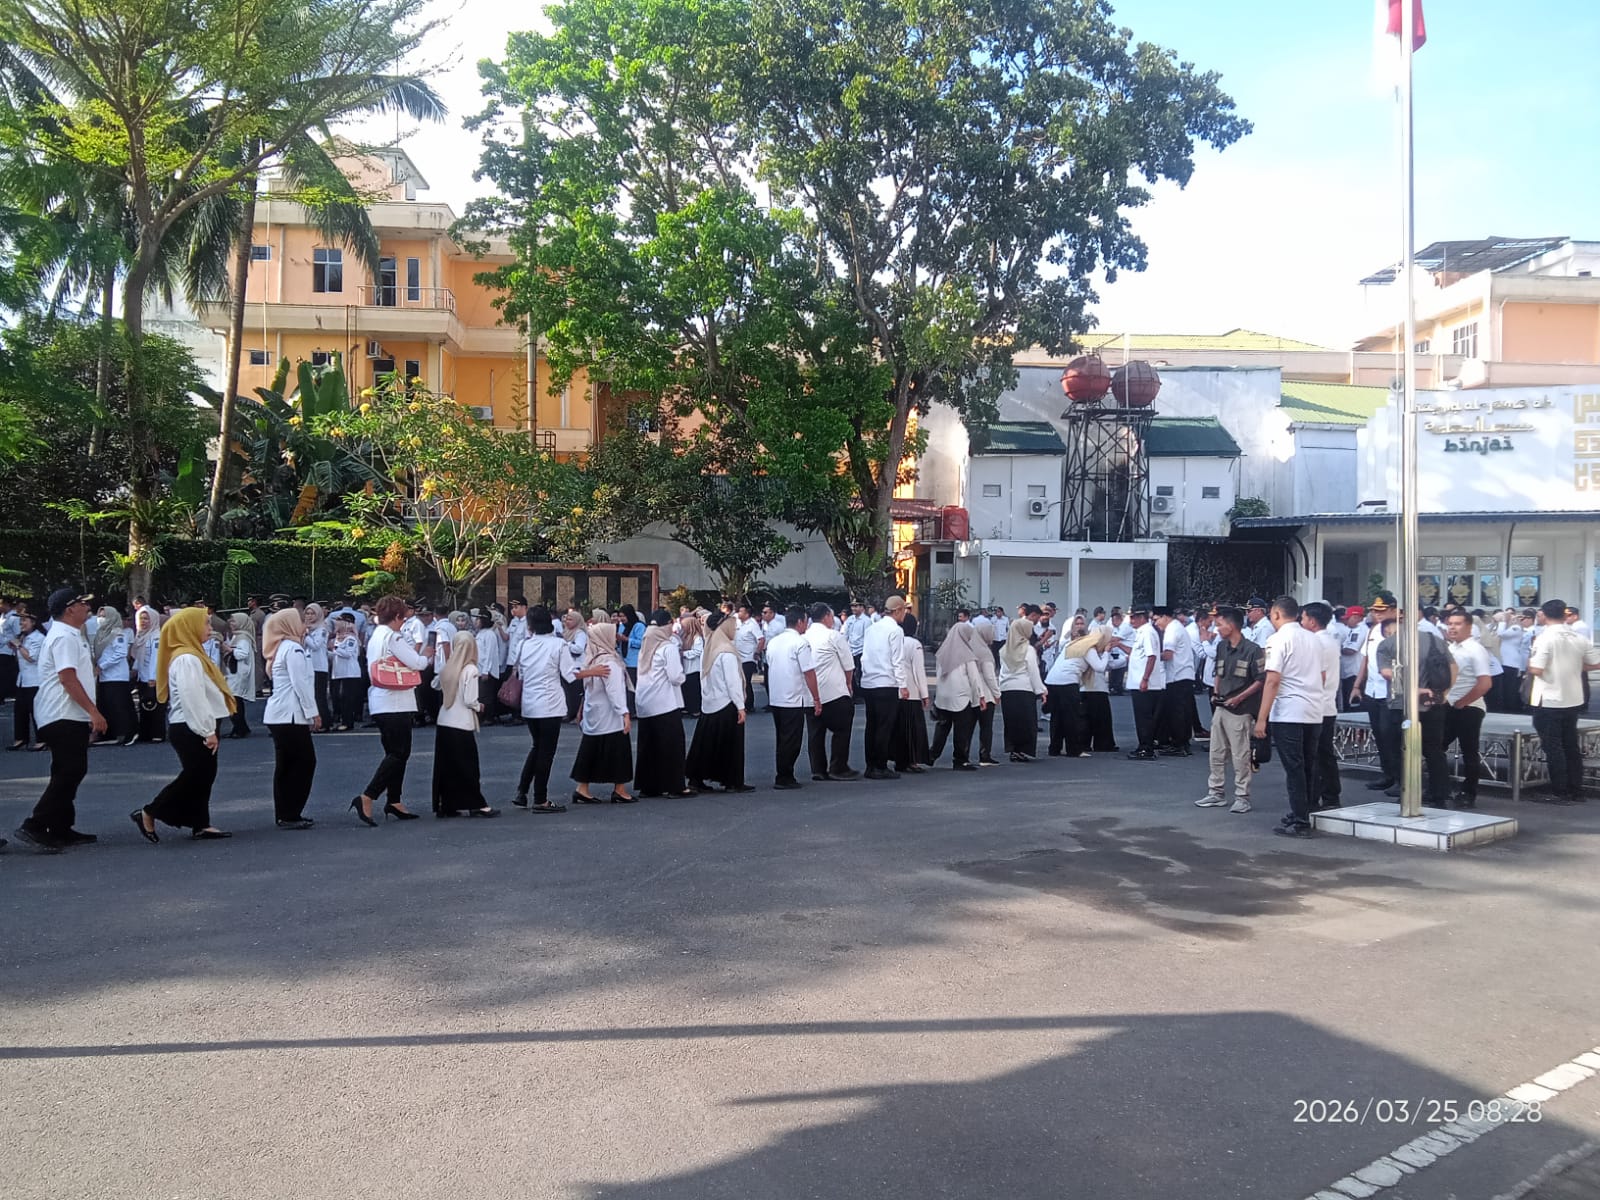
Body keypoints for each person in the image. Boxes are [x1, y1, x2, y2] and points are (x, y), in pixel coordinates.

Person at [130, 606, 234, 844]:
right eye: (205, 624)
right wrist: (207, 730)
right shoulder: (187, 658)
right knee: (195, 774)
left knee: (204, 775)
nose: (209, 628)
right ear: (190, 627)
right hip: (191, 725)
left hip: (192, 724)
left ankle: (200, 822)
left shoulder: (191, 654)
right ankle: (150, 811)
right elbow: (192, 698)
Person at [12, 590, 106, 851]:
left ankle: (61, 826)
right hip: (62, 713)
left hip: (63, 713)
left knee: (66, 770)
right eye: (81, 603)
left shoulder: (68, 634)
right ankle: (36, 824)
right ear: (69, 609)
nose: (87, 606)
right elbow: (67, 678)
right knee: (70, 771)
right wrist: (93, 711)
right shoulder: (64, 637)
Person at [350, 593, 434, 825]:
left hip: (380, 700)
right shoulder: (393, 638)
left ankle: (394, 800)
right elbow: (416, 663)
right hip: (395, 701)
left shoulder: (377, 635)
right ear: (397, 616)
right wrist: (425, 656)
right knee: (399, 753)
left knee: (394, 753)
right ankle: (369, 795)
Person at [1253, 596, 1325, 838]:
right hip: (1314, 709)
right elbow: (1322, 676)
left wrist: (1261, 718)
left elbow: (1272, 680)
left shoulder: (1277, 639)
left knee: (1294, 768)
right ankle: (1303, 811)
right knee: (1307, 764)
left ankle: (1301, 821)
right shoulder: (1313, 639)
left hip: (1289, 711)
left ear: (1275, 614)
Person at [1375, 608, 1456, 807]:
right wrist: (1443, 693)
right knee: (1434, 750)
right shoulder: (1436, 639)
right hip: (1433, 704)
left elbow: (1387, 673)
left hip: (1401, 705)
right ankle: (1439, 794)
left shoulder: (1388, 644)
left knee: (1402, 749)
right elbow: (1453, 667)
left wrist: (1415, 689)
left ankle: (1408, 792)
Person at [1527, 598, 1600, 805]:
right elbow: (1595, 663)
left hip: (1549, 698)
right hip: (1573, 698)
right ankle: (1576, 789)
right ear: (1564, 614)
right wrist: (1574, 667)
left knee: (1553, 746)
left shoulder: (1544, 638)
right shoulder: (1578, 637)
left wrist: (1530, 662)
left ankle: (1560, 791)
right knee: (1570, 745)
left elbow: (1536, 669)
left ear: (1545, 614)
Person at [1196, 606, 1264, 814]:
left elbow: (1261, 680)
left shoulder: (1253, 650)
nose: (1217, 629)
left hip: (1241, 709)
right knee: (1216, 752)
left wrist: (1240, 697)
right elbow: (1219, 671)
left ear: (1232, 625)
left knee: (1240, 755)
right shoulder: (1222, 647)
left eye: (1220, 624)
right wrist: (1216, 692)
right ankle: (1216, 792)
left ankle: (1242, 796)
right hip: (1222, 706)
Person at [513, 604, 576, 812]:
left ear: (530, 625)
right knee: (546, 752)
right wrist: (592, 671)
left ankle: (522, 791)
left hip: (529, 702)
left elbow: (520, 674)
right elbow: (570, 674)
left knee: (537, 747)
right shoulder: (558, 645)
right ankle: (540, 798)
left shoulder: (524, 645)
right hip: (550, 703)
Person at [431, 629, 499, 818]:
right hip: (461, 723)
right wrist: (480, 706)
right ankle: (476, 804)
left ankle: (447, 804)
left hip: (444, 720)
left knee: (446, 767)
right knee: (468, 766)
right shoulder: (471, 669)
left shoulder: (448, 666)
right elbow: (470, 700)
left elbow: (435, 685)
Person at [262, 608, 320, 829]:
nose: (304, 626)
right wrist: (312, 711)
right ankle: (291, 812)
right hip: (291, 714)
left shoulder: (280, 648)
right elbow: (301, 684)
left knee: (285, 765)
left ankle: (285, 812)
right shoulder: (294, 649)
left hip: (279, 714)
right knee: (304, 762)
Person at [686, 612, 752, 792]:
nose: (735, 629)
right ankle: (732, 781)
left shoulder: (709, 647)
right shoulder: (727, 651)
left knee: (706, 743)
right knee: (731, 746)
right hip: (726, 703)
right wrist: (741, 706)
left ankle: (696, 779)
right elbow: (733, 682)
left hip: (710, 703)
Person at [634, 609, 697, 797]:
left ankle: (649, 786)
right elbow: (676, 676)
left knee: (649, 746)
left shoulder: (647, 644)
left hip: (645, 702)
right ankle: (675, 786)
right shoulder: (667, 646)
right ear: (666, 625)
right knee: (672, 746)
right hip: (665, 703)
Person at [571, 620, 635, 803]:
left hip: (594, 712)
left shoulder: (592, 658)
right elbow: (614, 691)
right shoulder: (610, 662)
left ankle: (582, 787)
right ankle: (620, 789)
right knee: (619, 752)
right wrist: (625, 713)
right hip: (610, 715)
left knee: (590, 750)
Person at [763, 605, 821, 790]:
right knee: (792, 739)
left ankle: (784, 772)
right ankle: (784, 775)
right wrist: (816, 698)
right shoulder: (800, 643)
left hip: (777, 696)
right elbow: (809, 672)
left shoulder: (774, 642)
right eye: (806, 621)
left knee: (782, 737)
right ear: (800, 622)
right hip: (793, 697)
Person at [1441, 611, 1494, 809]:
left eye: (1458, 624)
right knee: (1437, 746)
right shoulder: (1451, 648)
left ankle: (1469, 792)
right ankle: (1440, 786)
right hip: (1449, 704)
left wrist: (1462, 702)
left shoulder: (1475, 649)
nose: (1452, 628)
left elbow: (1485, 683)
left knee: (1469, 751)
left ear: (1469, 626)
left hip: (1469, 706)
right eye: (1450, 624)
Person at [1350, 595, 1401, 791]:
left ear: (1394, 610)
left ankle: (1400, 778)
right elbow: (1366, 659)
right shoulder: (1372, 630)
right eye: (1375, 610)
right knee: (1380, 735)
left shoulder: (1398, 631)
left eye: (1382, 610)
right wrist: (1356, 685)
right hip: (1372, 689)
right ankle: (1387, 774)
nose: (1377, 614)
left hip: (1392, 691)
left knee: (1392, 736)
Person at [929, 620, 994, 770]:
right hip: (961, 697)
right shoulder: (967, 655)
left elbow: (938, 676)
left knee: (942, 727)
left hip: (943, 697)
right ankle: (960, 759)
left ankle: (932, 755)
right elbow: (974, 678)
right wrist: (981, 696)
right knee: (961, 730)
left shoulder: (942, 652)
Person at [804, 603, 858, 781]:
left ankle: (818, 769)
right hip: (834, 691)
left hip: (811, 693)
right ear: (827, 616)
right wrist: (849, 683)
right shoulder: (833, 635)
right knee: (842, 729)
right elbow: (849, 665)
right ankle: (838, 766)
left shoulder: (804, 636)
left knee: (815, 732)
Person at [859, 595, 910, 779]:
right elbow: (897, 660)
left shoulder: (872, 628)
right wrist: (903, 685)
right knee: (884, 726)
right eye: (904, 610)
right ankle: (880, 765)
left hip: (869, 681)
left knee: (871, 725)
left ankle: (870, 764)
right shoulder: (895, 631)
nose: (905, 613)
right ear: (897, 610)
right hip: (886, 682)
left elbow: (865, 656)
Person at [1298, 601, 1343, 811]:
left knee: (1313, 755)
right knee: (1324, 754)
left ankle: (1314, 798)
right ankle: (1331, 795)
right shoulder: (1330, 641)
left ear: (1313, 621)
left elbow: (1316, 676)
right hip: (1327, 704)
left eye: (1304, 618)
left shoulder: (1315, 643)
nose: (1301, 621)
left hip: (1316, 706)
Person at [997, 617, 1046, 762]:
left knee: (1011, 722)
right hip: (1024, 689)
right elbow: (1033, 672)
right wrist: (1041, 690)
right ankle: (1022, 750)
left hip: (1007, 689)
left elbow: (1002, 671)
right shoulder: (1028, 650)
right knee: (1026, 723)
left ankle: (1013, 750)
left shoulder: (1004, 649)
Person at [1044, 624, 1096, 758]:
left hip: (1052, 681)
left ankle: (1054, 748)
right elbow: (1100, 666)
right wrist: (1107, 652)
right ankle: (1073, 749)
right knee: (1072, 717)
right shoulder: (1087, 648)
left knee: (1056, 717)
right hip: (1068, 682)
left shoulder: (1068, 646)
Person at [90, 605, 136, 747]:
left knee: (119, 705)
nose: (101, 619)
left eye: (104, 616)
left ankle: (127, 733)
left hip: (116, 676)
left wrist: (101, 666)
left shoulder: (117, 633)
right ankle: (109, 733)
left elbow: (120, 653)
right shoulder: (101, 634)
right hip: (104, 676)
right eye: (100, 616)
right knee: (107, 705)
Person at [892, 611, 932, 773]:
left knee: (899, 728)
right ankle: (911, 761)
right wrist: (925, 694)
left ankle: (899, 760)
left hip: (895, 689)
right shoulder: (914, 644)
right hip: (912, 691)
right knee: (913, 729)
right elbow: (919, 671)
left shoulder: (895, 640)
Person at [1124, 609, 1166, 760]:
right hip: (1139, 682)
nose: (1131, 621)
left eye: (1133, 617)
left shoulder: (1147, 632)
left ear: (1142, 617)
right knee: (1142, 717)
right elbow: (1137, 654)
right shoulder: (1142, 631)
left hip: (1144, 683)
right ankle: (1144, 745)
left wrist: (1145, 679)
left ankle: (1146, 748)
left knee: (1144, 718)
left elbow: (1151, 656)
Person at [1155, 607, 1196, 757]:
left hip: (1177, 674)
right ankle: (1183, 743)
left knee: (1176, 711)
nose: (1156, 623)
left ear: (1165, 617)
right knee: (1184, 711)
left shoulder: (1171, 630)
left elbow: (1168, 655)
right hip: (1184, 673)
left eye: (1156, 619)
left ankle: (1178, 743)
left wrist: (1151, 655)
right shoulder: (1179, 627)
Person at [9, 611, 45, 751]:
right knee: (20, 710)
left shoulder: (38, 638)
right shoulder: (24, 638)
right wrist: (16, 647)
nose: (22, 624)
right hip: (23, 680)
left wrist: (19, 646)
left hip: (35, 680)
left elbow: (32, 658)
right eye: (20, 622)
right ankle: (21, 738)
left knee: (36, 711)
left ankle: (42, 739)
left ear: (34, 622)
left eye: (25, 621)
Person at [131, 605, 166, 744]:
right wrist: (134, 670)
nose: (143, 621)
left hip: (153, 678)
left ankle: (157, 733)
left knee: (156, 707)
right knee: (145, 706)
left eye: (146, 618)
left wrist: (153, 677)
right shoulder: (140, 636)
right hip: (142, 676)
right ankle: (145, 733)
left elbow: (156, 658)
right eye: (141, 618)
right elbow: (139, 657)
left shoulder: (156, 636)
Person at [223, 612, 256, 738]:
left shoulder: (243, 638)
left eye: (234, 621)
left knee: (235, 701)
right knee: (236, 701)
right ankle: (240, 727)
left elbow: (243, 654)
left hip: (238, 673)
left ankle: (240, 728)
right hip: (234, 672)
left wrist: (229, 649)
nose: (231, 624)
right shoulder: (237, 636)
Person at [329, 614, 363, 731]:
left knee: (347, 698)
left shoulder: (351, 638)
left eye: (339, 621)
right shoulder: (337, 638)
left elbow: (348, 653)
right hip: (339, 672)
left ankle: (348, 722)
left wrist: (335, 648)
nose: (336, 623)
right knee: (339, 697)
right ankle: (342, 720)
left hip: (350, 673)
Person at [302, 603, 333, 730]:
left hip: (319, 666)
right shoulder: (308, 629)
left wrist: (306, 635)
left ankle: (325, 721)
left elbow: (316, 645)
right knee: (311, 695)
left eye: (312, 613)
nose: (309, 616)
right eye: (307, 613)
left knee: (319, 696)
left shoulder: (322, 629)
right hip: (308, 665)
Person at [1496, 608, 1529, 713]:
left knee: (1510, 687)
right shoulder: (1512, 628)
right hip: (1506, 661)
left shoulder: (1516, 628)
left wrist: (1502, 621)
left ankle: (1510, 707)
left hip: (1510, 662)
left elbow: (1501, 634)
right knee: (1506, 687)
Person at [1337, 606, 1369, 711]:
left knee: (1353, 707)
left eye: (1348, 618)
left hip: (1354, 673)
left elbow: (1351, 650)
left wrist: (1336, 649)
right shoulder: (1354, 630)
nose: (1346, 621)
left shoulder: (1360, 630)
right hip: (1350, 673)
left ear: (1356, 617)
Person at [560, 609, 588, 722]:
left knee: (574, 692)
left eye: (571, 619)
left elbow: (579, 648)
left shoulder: (580, 633)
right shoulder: (566, 632)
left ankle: (574, 714)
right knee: (567, 691)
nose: (567, 621)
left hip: (577, 665)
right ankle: (568, 712)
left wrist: (566, 644)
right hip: (566, 665)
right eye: (567, 619)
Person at [734, 602, 760, 712]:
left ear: (747, 614)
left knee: (746, 681)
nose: (739, 613)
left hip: (748, 658)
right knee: (740, 681)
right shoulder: (737, 622)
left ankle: (749, 705)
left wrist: (757, 652)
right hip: (738, 657)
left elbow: (761, 639)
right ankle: (743, 702)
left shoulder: (752, 624)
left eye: (741, 611)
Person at [678, 611, 704, 718]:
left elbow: (698, 651)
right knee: (687, 689)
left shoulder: (697, 638)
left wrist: (684, 653)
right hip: (686, 667)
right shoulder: (686, 636)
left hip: (694, 667)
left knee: (694, 690)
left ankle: (695, 709)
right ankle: (688, 707)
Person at [843, 600, 870, 698]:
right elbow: (845, 634)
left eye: (856, 606)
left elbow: (867, 637)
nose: (854, 608)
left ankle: (862, 693)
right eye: (852, 606)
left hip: (861, 650)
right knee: (850, 671)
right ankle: (855, 693)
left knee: (861, 672)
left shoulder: (866, 621)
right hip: (850, 650)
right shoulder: (850, 619)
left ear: (862, 607)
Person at [0, 595, 18, 706]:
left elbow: (17, 634)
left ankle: (3, 695)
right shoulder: (2, 617)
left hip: (8, 649)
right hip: (1, 649)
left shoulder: (14, 617)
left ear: (6, 604)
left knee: (4, 674)